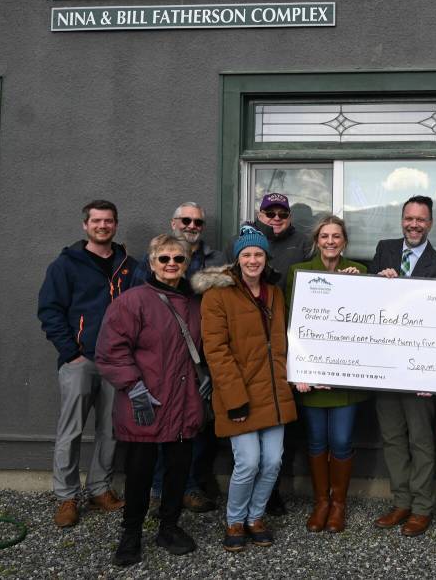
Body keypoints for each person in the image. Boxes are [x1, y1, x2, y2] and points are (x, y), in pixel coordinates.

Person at [95, 234, 205, 566]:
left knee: (177, 470)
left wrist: (207, 377)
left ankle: (169, 526)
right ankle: (131, 534)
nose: (172, 264)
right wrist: (133, 387)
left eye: (178, 259)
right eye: (164, 258)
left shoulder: (195, 304)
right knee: (140, 473)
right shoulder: (133, 301)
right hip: (145, 402)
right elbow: (110, 351)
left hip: (184, 402)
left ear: (187, 263)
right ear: (153, 261)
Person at [194, 225, 298, 552]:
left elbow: (282, 341)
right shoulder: (217, 296)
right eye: (246, 254)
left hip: (274, 391)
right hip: (239, 393)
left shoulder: (275, 292)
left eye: (258, 254)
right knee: (248, 462)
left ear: (266, 258)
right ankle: (235, 519)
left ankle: (256, 516)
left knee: (272, 462)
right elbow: (216, 351)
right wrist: (235, 398)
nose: (253, 260)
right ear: (237, 259)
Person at [37, 199, 137, 528]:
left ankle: (99, 488)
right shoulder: (66, 264)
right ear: (85, 225)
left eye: (108, 221)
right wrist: (70, 352)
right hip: (80, 360)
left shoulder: (129, 265)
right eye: (96, 221)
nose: (103, 226)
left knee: (110, 429)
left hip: (117, 361)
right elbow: (49, 310)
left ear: (116, 225)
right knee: (72, 430)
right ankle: (66, 497)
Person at [133, 202, 227, 515]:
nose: (191, 225)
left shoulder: (215, 260)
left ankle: (191, 484)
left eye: (197, 221)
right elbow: (137, 304)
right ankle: (163, 490)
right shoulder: (154, 257)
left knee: (197, 424)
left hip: (200, 354)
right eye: (185, 220)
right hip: (162, 355)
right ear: (174, 222)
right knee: (164, 425)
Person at [370, 195, 436, 537]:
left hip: (420, 370)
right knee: (392, 437)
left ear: (430, 223)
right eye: (409, 218)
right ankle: (401, 501)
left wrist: (434, 373)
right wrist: (378, 280)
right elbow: (367, 301)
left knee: (420, 440)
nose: (414, 224)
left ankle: (421, 507)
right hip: (385, 363)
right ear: (401, 219)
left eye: (421, 219)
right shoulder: (384, 250)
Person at [286, 215, 369, 534]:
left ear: (344, 241)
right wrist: (297, 371)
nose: (331, 241)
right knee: (317, 441)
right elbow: (291, 325)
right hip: (311, 376)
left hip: (345, 377)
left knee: (342, 440)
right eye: (325, 236)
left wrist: (357, 286)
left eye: (336, 236)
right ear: (317, 241)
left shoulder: (359, 271)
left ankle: (339, 505)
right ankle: (321, 502)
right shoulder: (300, 273)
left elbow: (372, 318)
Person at [246, 192, 310, 515]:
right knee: (254, 424)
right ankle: (251, 495)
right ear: (259, 214)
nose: (275, 217)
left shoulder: (303, 244)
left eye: (281, 213)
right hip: (254, 345)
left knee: (282, 424)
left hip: (291, 343)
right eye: (269, 212)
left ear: (289, 216)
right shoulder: (246, 243)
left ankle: (272, 492)